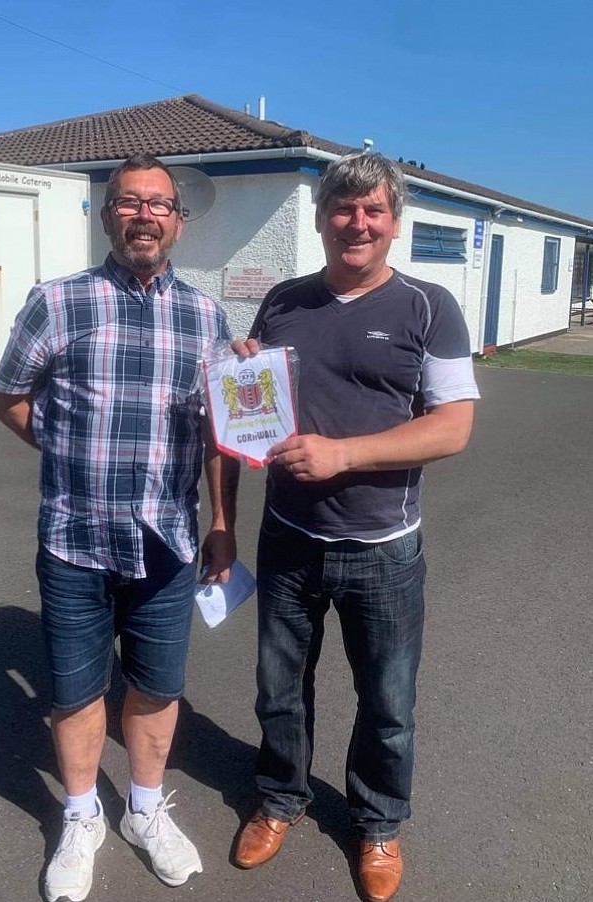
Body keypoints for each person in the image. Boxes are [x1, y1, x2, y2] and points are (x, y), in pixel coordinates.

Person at [0, 153, 239, 902]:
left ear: (178, 221)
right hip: (74, 540)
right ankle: (79, 817)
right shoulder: (55, 302)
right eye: (129, 202)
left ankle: (141, 811)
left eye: (159, 205)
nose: (145, 216)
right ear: (108, 216)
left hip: (167, 542)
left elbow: (220, 432)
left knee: (157, 690)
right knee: (73, 692)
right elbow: (8, 398)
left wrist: (223, 522)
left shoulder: (207, 317)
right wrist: (64, 451)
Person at [231, 152, 479, 902]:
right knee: (279, 690)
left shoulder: (429, 306)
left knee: (388, 703)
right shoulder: (282, 300)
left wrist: (345, 454)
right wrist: (245, 369)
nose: (357, 223)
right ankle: (280, 801)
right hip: (288, 537)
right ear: (321, 218)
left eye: (373, 211)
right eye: (343, 209)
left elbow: (453, 427)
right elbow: (253, 396)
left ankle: (377, 824)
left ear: (394, 224)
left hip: (384, 549)